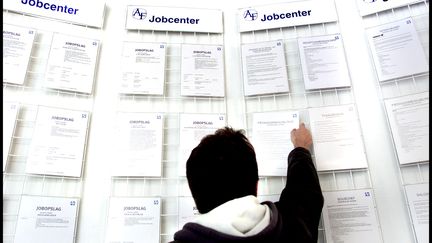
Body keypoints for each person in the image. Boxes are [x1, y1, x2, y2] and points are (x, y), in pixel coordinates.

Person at [171, 123, 324, 243]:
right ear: (256, 186)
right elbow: (305, 191)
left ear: (195, 195)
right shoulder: (295, 228)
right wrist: (300, 148)